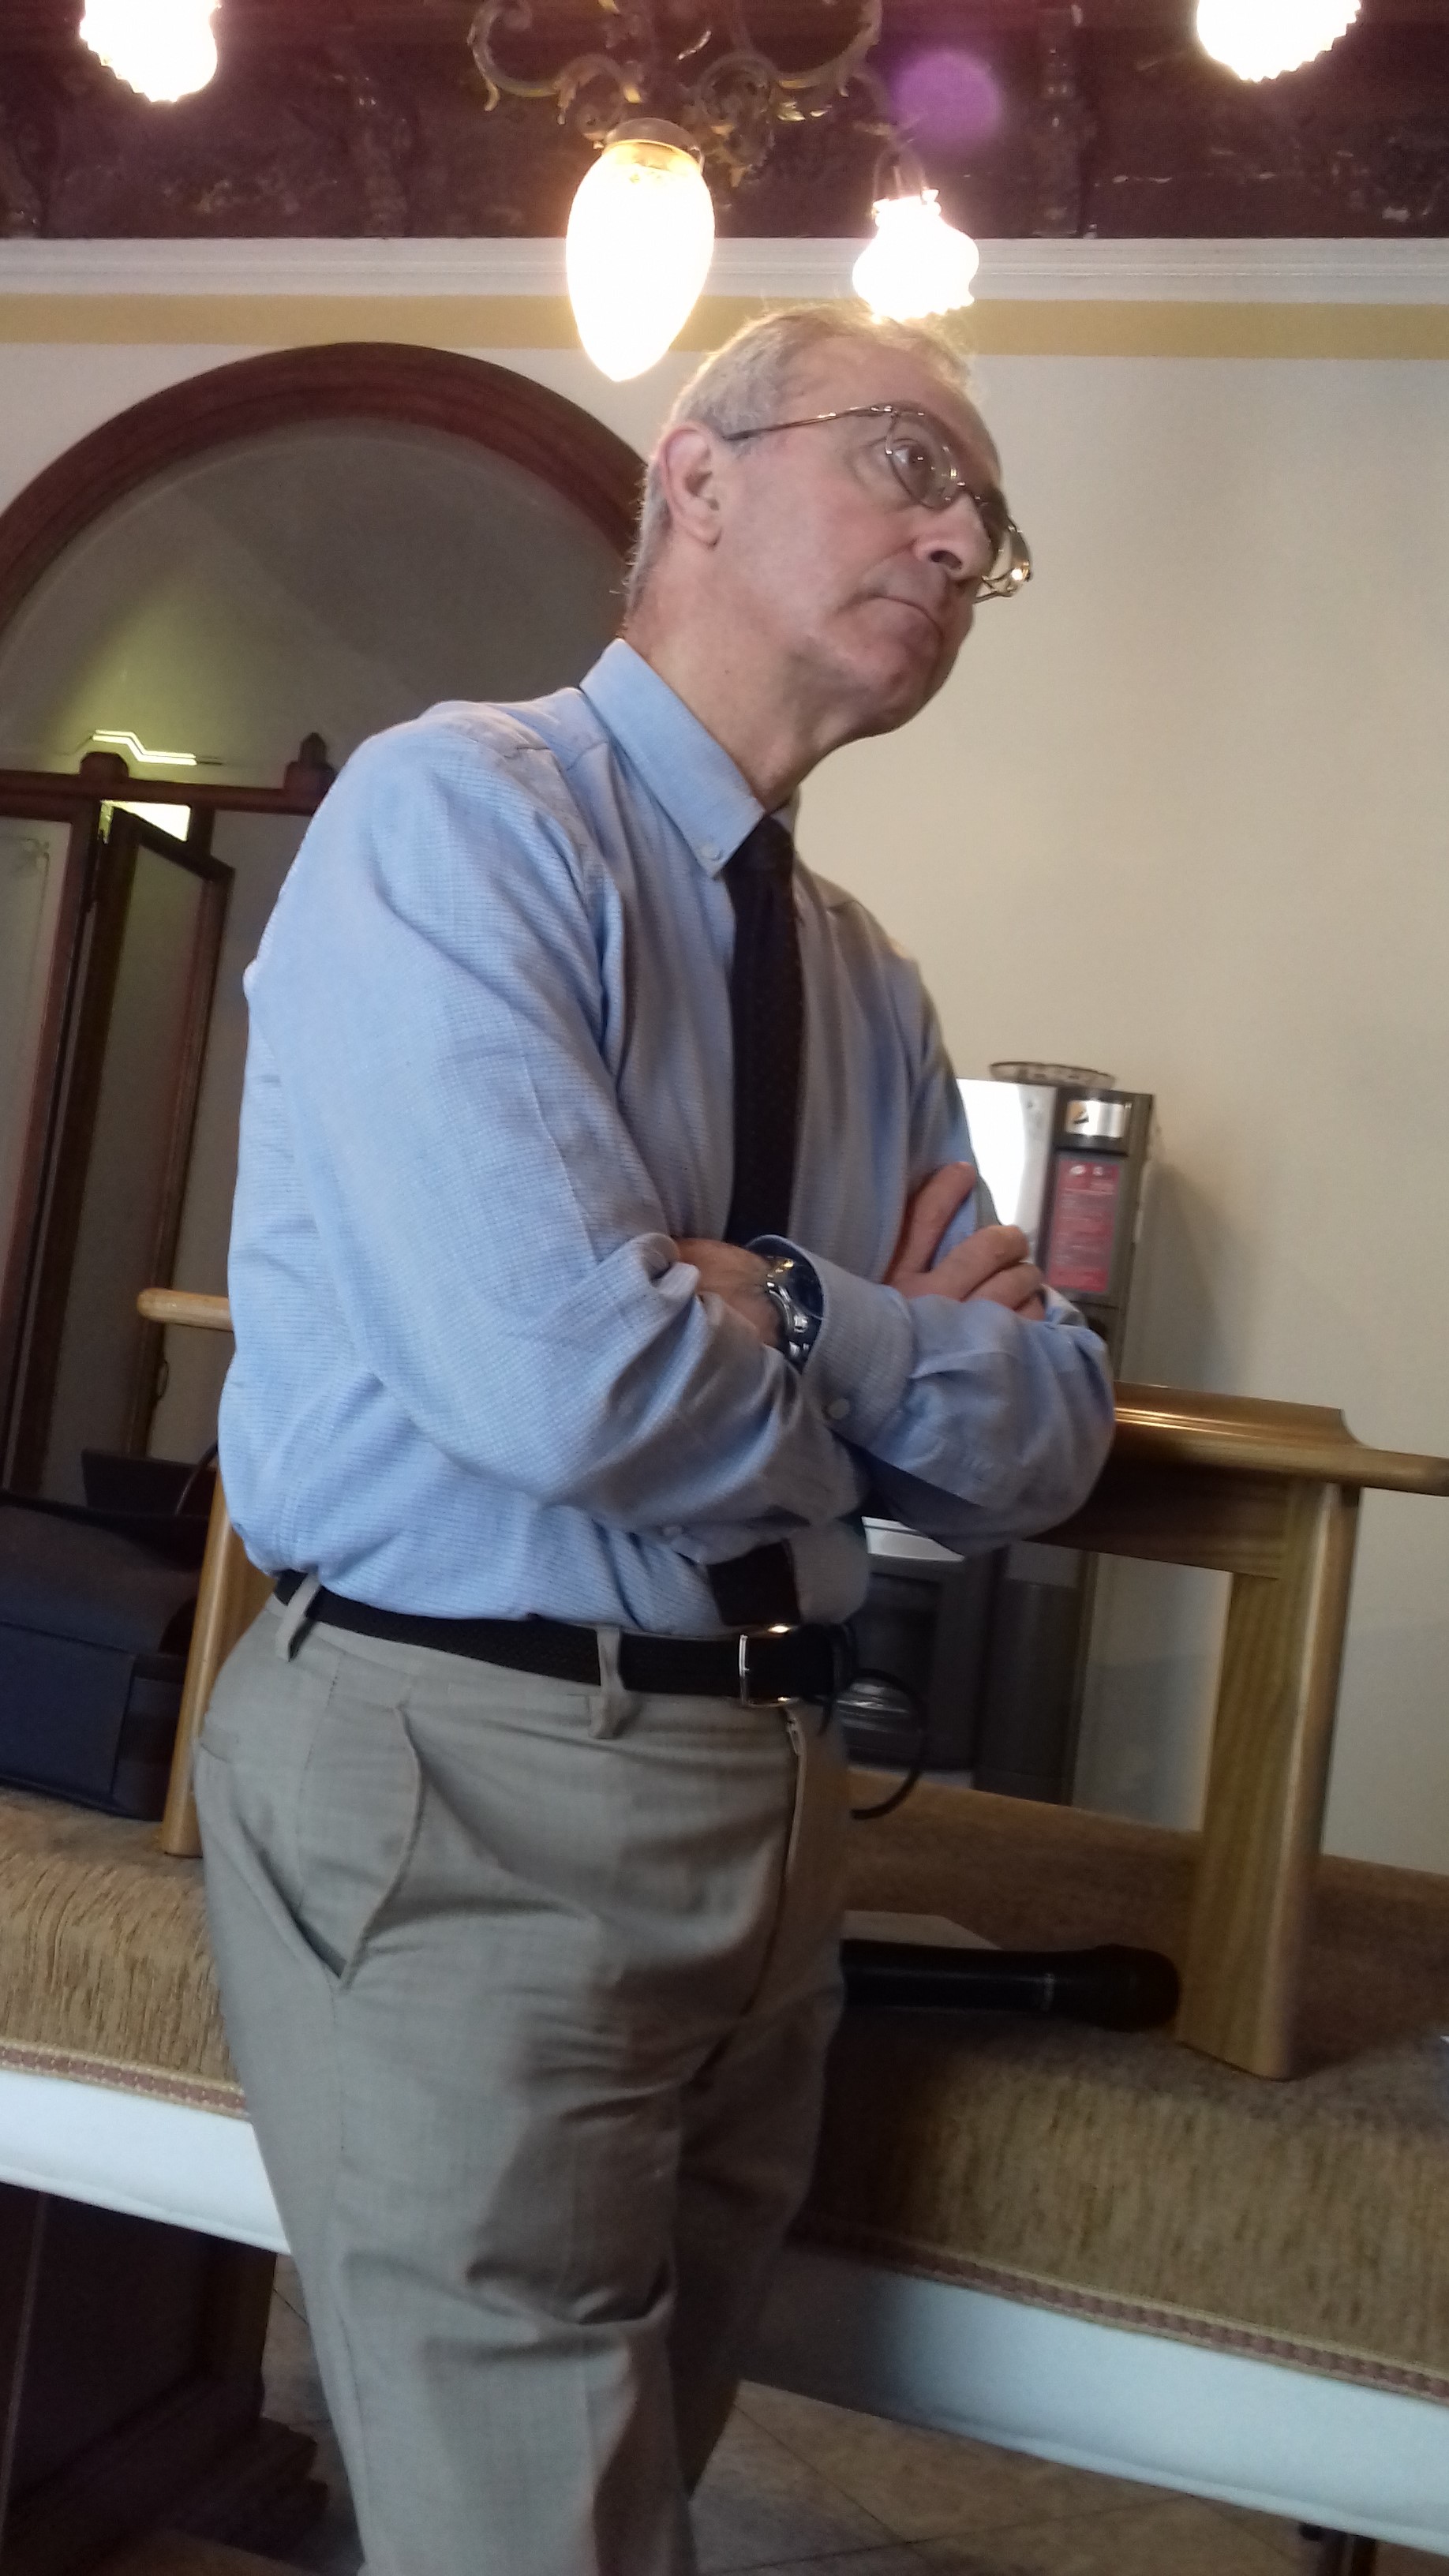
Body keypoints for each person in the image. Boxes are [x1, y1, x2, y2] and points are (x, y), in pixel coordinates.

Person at [196, 304, 1114, 2576]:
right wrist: (902, 1370)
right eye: (910, 464)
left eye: (985, 528)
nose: (957, 542)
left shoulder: (864, 974)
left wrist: (796, 1308)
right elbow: (566, 1383)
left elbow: (1041, 1446)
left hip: (774, 1795)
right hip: (473, 1776)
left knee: (627, 2500)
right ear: (694, 476)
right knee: (534, 2531)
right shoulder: (459, 816)